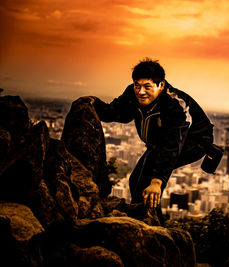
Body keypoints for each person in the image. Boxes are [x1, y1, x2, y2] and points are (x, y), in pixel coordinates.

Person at [83, 58, 221, 223]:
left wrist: (157, 181)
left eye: (147, 87)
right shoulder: (132, 93)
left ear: (160, 85)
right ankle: (150, 221)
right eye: (137, 85)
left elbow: (172, 144)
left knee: (149, 180)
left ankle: (149, 225)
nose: (141, 92)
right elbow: (118, 112)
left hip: (194, 141)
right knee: (136, 180)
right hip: (161, 143)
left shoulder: (175, 105)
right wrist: (94, 104)